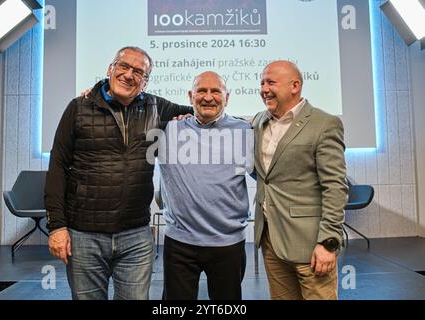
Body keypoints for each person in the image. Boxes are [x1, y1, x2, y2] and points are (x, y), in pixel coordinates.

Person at [45, 46, 192, 300]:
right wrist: (57, 226)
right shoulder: (78, 108)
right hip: (84, 237)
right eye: (123, 66)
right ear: (110, 69)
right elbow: (57, 166)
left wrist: (246, 123)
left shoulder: (156, 107)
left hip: (135, 236)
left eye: (138, 72)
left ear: (145, 82)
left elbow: (201, 112)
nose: (129, 75)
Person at [252, 60, 348, 300]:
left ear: (295, 86)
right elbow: (266, 175)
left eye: (271, 82)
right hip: (271, 240)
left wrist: (328, 243)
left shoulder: (324, 124)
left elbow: (335, 186)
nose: (264, 88)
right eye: (262, 82)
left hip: (311, 246)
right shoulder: (258, 122)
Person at [157, 71, 254, 300]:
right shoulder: (166, 129)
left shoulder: (245, 131)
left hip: (228, 243)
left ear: (227, 98)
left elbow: (264, 175)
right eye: (201, 90)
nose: (208, 97)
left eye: (215, 91)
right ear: (190, 96)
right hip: (180, 243)